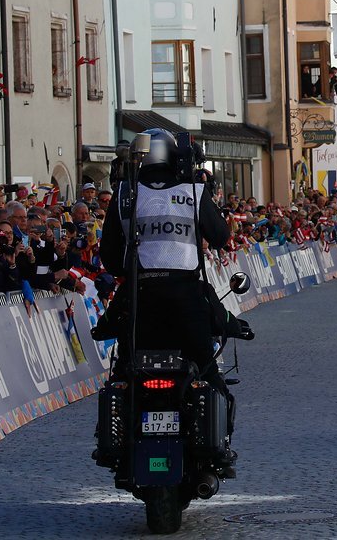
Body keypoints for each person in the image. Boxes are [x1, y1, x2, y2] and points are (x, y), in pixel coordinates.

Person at [97, 128, 236, 468]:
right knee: (208, 373)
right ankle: (219, 449)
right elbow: (220, 236)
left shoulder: (124, 195)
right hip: (186, 297)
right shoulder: (193, 190)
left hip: (140, 299)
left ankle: (113, 446)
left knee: (126, 374)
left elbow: (111, 258)